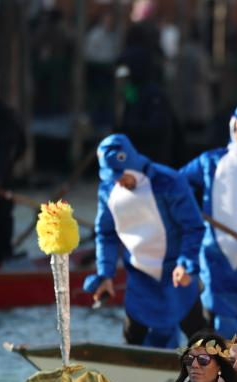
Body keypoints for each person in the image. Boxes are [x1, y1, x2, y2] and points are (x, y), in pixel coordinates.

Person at [86, 134, 205, 348]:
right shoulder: (107, 191)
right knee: (133, 336)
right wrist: (106, 275)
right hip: (140, 274)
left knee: (199, 334)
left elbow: (193, 227)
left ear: (132, 164)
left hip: (176, 272)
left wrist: (186, 263)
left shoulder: (169, 181)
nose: (119, 181)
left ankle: (225, 366)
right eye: (113, 177)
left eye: (122, 175)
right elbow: (106, 235)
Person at [179, 94, 237, 338]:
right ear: (233, 129)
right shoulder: (210, 162)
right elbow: (176, 186)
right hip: (215, 257)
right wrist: (191, 212)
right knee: (211, 329)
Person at [0, 90, 26, 265]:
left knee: (3, 216)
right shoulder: (10, 115)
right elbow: (22, 147)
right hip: (5, 178)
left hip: (3, 182)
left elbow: (20, 146)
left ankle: (4, 258)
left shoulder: (6, 118)